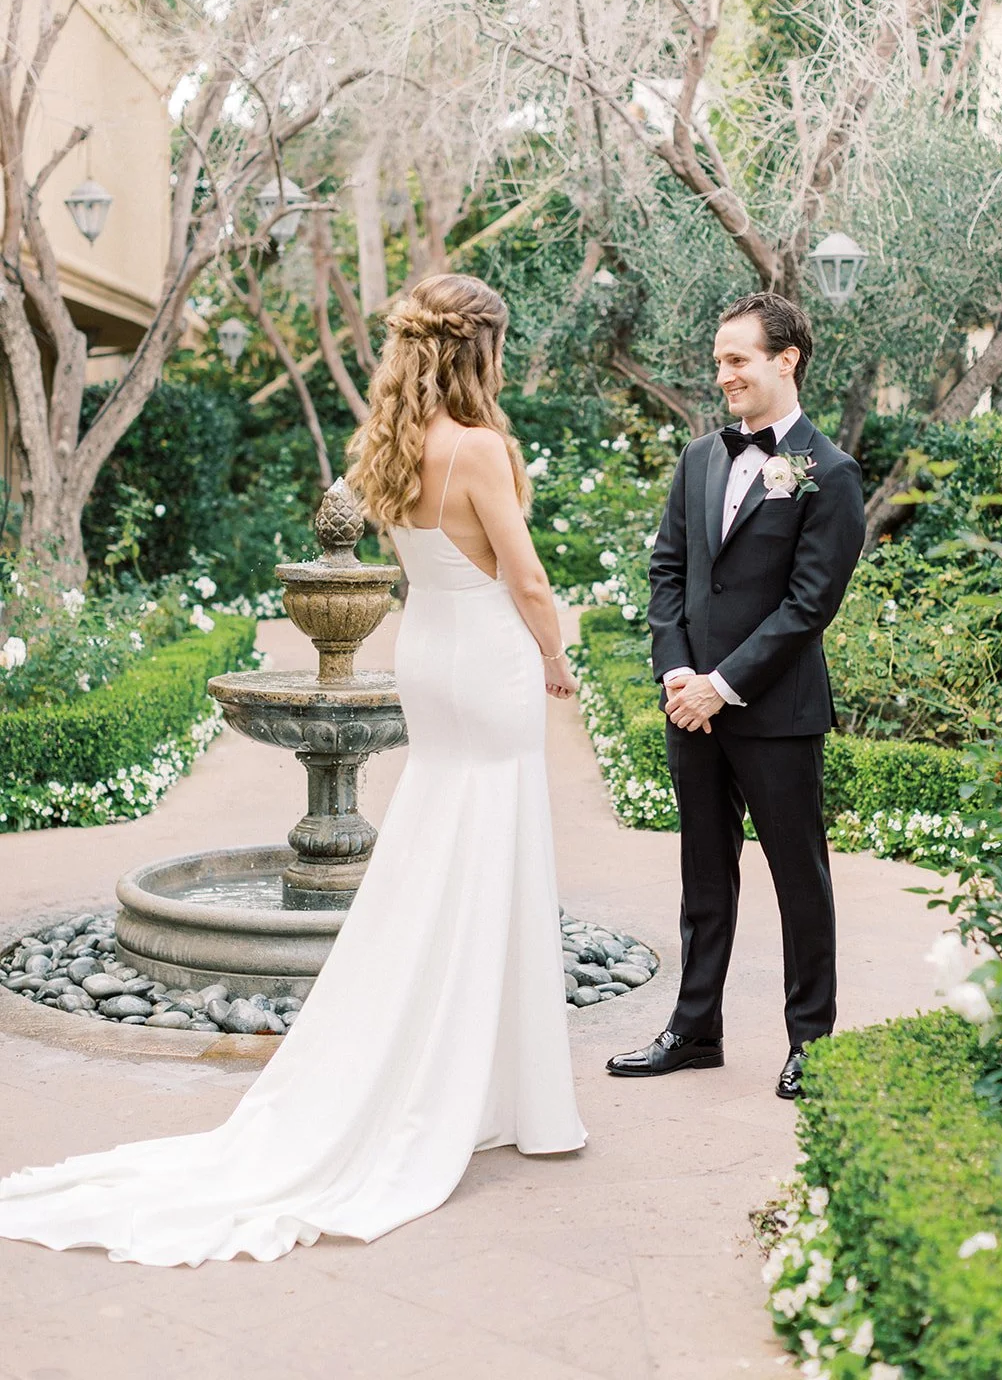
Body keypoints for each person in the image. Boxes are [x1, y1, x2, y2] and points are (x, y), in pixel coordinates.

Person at [0, 273, 585, 1266]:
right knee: (492, 852)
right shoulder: (478, 446)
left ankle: (465, 1073)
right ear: (477, 348)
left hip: (425, 659)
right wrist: (555, 656)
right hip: (484, 660)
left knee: (442, 845)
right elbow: (522, 573)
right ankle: (502, 1087)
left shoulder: (390, 447)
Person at [607, 291, 865, 1100]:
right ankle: (693, 1030)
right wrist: (678, 674)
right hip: (692, 705)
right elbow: (668, 571)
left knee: (800, 879)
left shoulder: (831, 471)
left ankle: (810, 1043)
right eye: (718, 360)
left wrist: (723, 686)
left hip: (776, 713)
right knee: (702, 876)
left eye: (736, 360)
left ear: (784, 360)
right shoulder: (699, 458)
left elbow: (808, 604)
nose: (721, 374)